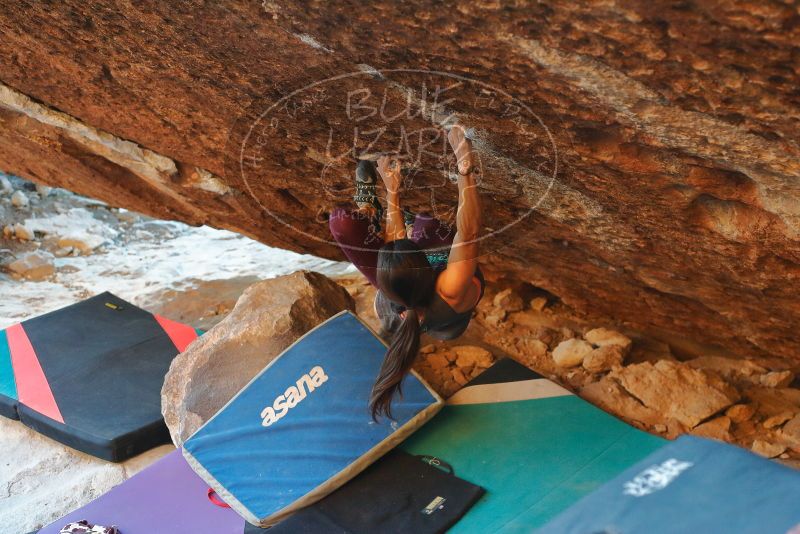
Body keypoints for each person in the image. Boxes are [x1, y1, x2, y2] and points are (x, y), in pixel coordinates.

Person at [329, 125, 484, 420]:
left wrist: (392, 191)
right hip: (445, 317)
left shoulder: (396, 285)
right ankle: (414, 223)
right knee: (429, 225)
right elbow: (470, 229)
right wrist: (464, 163)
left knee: (342, 224)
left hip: (405, 300)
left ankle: (368, 207)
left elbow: (395, 242)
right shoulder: (449, 287)